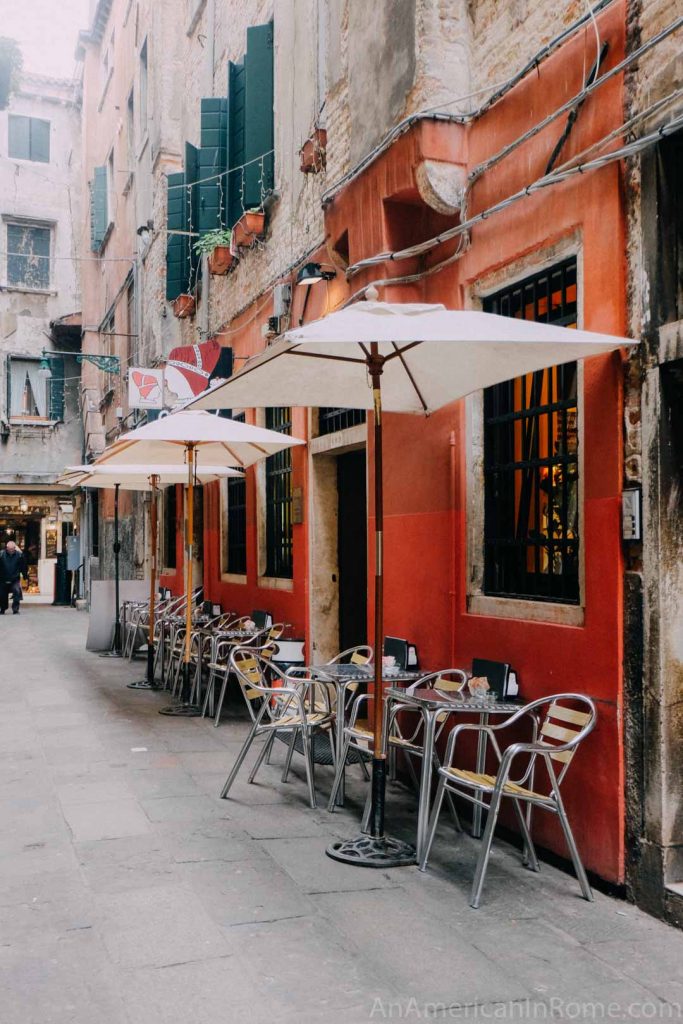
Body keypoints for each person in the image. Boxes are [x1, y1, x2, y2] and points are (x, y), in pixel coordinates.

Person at [0, 540, 29, 615]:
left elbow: (23, 566)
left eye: (12, 549)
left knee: (17, 592)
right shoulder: (1, 554)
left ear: (15, 548)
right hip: (3, 578)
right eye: (10, 549)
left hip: (15, 578)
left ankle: (15, 609)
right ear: (7, 548)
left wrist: (25, 576)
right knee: (2, 594)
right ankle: (2, 609)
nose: (11, 550)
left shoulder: (19, 555)